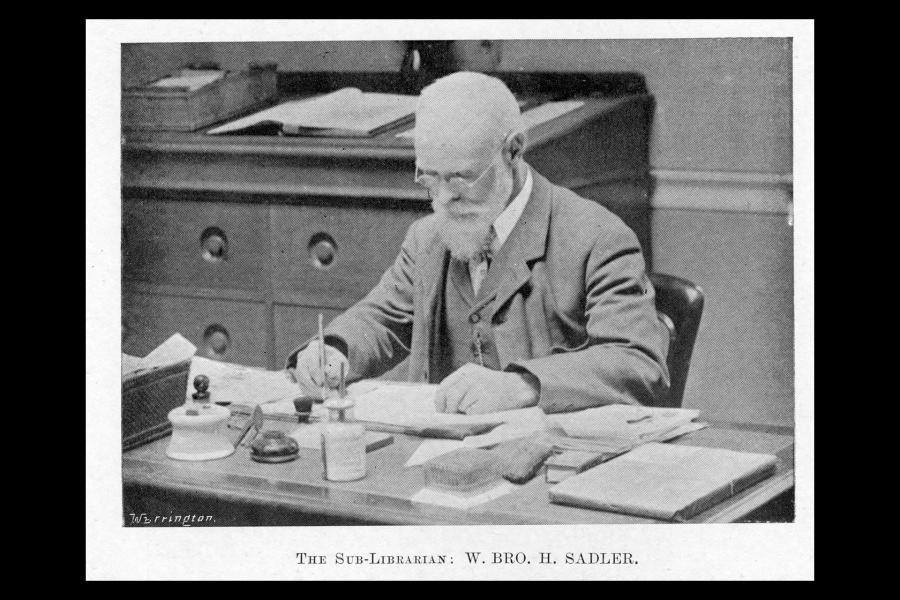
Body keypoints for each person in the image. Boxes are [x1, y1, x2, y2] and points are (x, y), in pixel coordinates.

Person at [287, 71, 670, 414]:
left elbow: (637, 362)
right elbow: (381, 318)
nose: (443, 198)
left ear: (514, 150)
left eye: (460, 178)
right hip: (446, 461)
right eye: (429, 178)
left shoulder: (597, 238)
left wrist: (523, 384)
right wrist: (334, 350)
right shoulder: (427, 239)